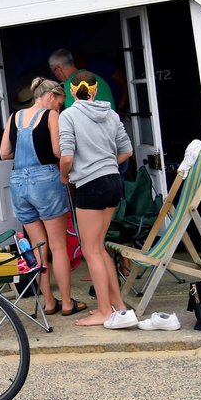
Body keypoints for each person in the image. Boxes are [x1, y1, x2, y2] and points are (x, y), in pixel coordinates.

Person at [0, 77, 85, 317]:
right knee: (58, 247)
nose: (59, 107)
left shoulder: (14, 117)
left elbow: (4, 152)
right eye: (59, 103)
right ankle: (67, 302)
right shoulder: (51, 116)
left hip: (18, 183)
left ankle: (48, 301)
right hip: (46, 182)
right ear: (49, 97)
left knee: (38, 248)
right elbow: (58, 151)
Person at [58, 71, 135, 329]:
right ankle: (119, 307)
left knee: (91, 250)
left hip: (90, 185)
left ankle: (103, 311)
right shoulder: (111, 113)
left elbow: (66, 156)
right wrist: (107, 164)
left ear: (71, 91)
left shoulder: (67, 115)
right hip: (113, 182)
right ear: (94, 90)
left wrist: (64, 176)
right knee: (99, 247)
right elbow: (127, 151)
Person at [49, 49, 115, 109]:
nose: (56, 76)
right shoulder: (99, 79)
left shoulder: (70, 86)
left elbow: (74, 119)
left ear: (58, 69)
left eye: (53, 72)